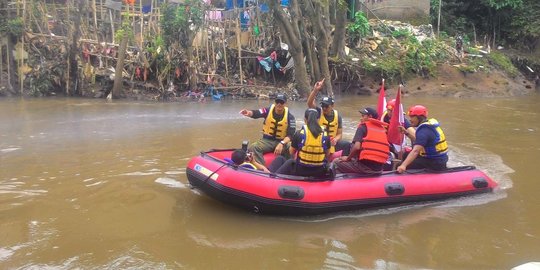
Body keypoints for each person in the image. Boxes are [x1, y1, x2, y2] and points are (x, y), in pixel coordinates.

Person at [239, 94, 296, 166]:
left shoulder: (290, 117)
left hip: (282, 141)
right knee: (254, 147)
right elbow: (256, 113)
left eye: (281, 102)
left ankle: (289, 167)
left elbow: (291, 135)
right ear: (274, 102)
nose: (279, 104)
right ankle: (261, 168)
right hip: (267, 141)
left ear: (285, 104)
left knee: (291, 147)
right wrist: (248, 113)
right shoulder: (267, 110)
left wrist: (282, 143)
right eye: (277, 102)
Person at [274, 109, 331, 177]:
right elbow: (327, 154)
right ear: (318, 120)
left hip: (301, 171)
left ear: (305, 119)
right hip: (320, 171)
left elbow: (291, 152)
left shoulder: (299, 133)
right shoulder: (326, 135)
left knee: (282, 159)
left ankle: (272, 177)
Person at [333, 107, 390, 174]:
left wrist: (348, 158)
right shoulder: (382, 130)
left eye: (363, 116)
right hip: (379, 169)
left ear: (370, 117)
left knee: (336, 162)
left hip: (364, 167)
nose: (361, 118)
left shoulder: (362, 127)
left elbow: (357, 147)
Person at [397, 105, 449, 173]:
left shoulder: (424, 130)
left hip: (434, 163)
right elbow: (419, 141)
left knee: (399, 164)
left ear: (419, 118)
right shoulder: (429, 126)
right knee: (406, 154)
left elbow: (415, 151)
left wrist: (403, 165)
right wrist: (406, 133)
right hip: (437, 159)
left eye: (412, 117)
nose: (410, 119)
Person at [307, 78, 350, 156]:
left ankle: (341, 164)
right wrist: (315, 90)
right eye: (323, 105)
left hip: (332, 142)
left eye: (326, 106)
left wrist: (335, 140)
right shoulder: (319, 112)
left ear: (332, 106)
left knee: (347, 144)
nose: (324, 108)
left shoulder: (338, 116)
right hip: (319, 141)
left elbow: (339, 134)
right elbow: (310, 103)